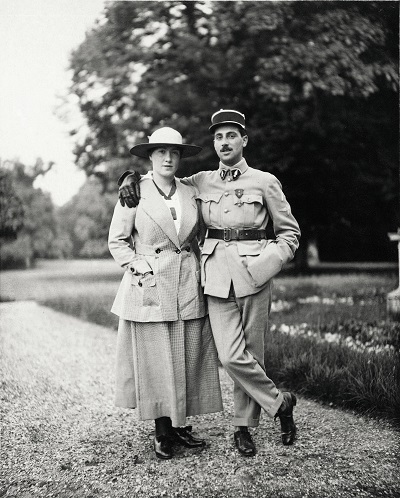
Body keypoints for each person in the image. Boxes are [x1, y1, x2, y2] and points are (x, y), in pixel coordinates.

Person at [118, 110, 301, 457]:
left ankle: (243, 428)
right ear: (214, 143)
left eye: (232, 135)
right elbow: (163, 181)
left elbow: (290, 234)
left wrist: (269, 263)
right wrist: (129, 177)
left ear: (243, 141)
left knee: (253, 353)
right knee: (231, 357)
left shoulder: (265, 181)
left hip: (255, 276)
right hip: (215, 279)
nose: (225, 142)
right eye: (219, 137)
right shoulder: (200, 181)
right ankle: (281, 404)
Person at [108, 126, 223, 460]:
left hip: (187, 282)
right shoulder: (135, 192)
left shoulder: (191, 189)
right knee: (156, 358)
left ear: (181, 157)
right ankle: (162, 431)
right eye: (161, 152)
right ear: (151, 157)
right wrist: (138, 265)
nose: (168, 158)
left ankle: (179, 425)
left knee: (185, 352)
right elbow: (117, 240)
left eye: (174, 152)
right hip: (150, 283)